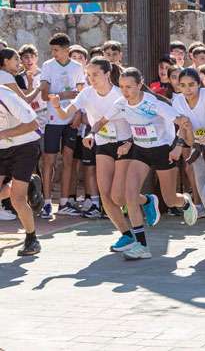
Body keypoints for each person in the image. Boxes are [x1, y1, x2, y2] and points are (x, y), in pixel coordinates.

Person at [91, 67, 197, 260]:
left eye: (129, 87)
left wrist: (178, 147)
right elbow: (102, 121)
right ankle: (141, 246)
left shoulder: (153, 103)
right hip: (140, 152)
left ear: (140, 85)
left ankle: (186, 202)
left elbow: (184, 122)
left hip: (162, 151)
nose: (125, 91)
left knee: (170, 199)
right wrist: (91, 134)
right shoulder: (120, 103)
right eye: (122, 87)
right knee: (129, 195)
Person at [50, 58, 134, 245]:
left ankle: (146, 200)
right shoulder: (86, 93)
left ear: (107, 73)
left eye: (95, 74)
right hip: (102, 143)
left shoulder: (120, 94)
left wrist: (129, 142)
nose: (91, 79)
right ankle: (126, 234)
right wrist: (56, 105)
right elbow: (65, 114)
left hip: (124, 143)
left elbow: (135, 120)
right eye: (88, 75)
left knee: (118, 195)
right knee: (105, 195)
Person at [172, 68, 205, 241]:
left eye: (191, 84)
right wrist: (182, 141)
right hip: (198, 150)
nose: (187, 89)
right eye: (183, 85)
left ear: (199, 84)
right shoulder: (178, 101)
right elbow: (186, 134)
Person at [39, 33, 85, 219]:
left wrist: (79, 114)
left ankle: (65, 202)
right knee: (49, 161)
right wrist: (65, 95)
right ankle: (47, 202)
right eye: (52, 50)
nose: (54, 53)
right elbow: (44, 95)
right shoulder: (47, 66)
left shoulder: (77, 67)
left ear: (67, 50)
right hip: (52, 120)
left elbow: (82, 93)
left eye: (57, 50)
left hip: (71, 120)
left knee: (68, 161)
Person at [0, 85, 44, 256]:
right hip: (2, 149)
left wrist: (3, 134)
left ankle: (32, 239)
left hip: (25, 146)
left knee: (17, 199)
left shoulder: (6, 95)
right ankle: (30, 185)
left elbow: (33, 124)